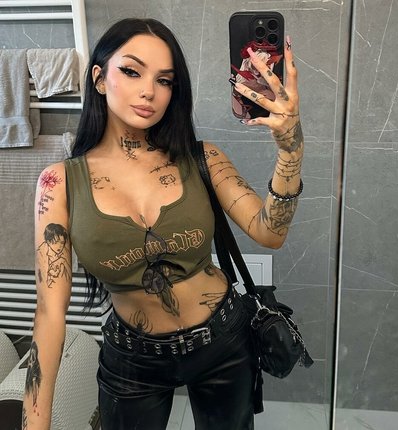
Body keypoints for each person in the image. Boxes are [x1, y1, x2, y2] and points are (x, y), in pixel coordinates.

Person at [22, 17, 304, 430]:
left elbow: (270, 232)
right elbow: (49, 311)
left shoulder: (203, 158)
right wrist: (35, 424)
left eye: (165, 80)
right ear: (99, 78)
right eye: (132, 71)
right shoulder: (59, 184)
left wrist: (291, 147)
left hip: (223, 341)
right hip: (132, 359)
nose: (149, 91)